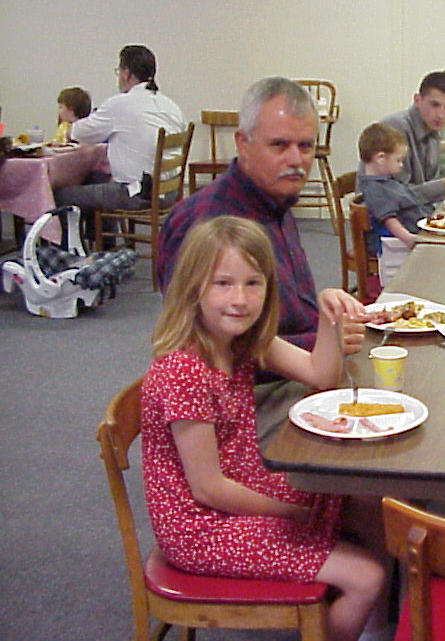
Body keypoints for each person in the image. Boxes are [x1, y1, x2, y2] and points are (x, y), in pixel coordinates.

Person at [142, 216, 386, 641]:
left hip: (239, 488)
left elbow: (320, 374)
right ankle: (356, 609)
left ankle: (373, 621)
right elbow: (208, 490)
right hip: (200, 529)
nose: (240, 299)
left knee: (363, 497)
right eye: (223, 284)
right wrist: (293, 513)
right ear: (193, 288)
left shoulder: (241, 340)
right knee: (367, 577)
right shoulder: (184, 372)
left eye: (253, 283)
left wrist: (329, 313)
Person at [156, 77, 367, 433]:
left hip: (298, 371)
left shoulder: (275, 201)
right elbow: (204, 350)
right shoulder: (209, 224)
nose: (296, 160)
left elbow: (289, 320)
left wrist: (329, 325)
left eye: (305, 146)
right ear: (243, 143)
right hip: (241, 403)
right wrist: (321, 341)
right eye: (279, 145)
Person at [56, 45, 185, 215]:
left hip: (137, 193)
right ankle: (104, 232)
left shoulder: (120, 104)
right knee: (97, 179)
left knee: (60, 195)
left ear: (126, 73)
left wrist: (68, 129)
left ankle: (77, 234)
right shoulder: (171, 106)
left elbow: (81, 133)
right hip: (170, 192)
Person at [373, 71, 445, 198]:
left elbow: (429, 184)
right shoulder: (395, 129)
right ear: (417, 100)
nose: (441, 115)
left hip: (417, 206)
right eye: (434, 105)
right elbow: (396, 196)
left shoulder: (431, 128)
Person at [358, 122, 438, 250]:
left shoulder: (387, 181)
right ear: (380, 158)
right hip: (399, 244)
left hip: (420, 229)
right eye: (398, 160)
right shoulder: (375, 189)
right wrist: (409, 239)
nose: (401, 165)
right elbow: (389, 220)